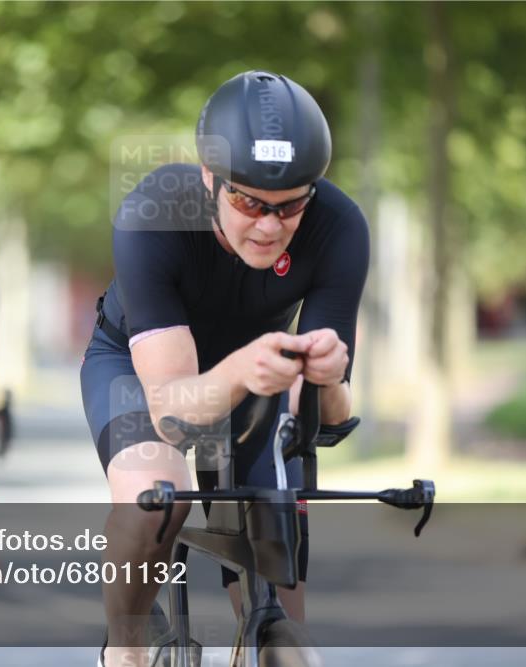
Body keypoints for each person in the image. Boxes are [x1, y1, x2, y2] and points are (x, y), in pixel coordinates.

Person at [80, 71, 370, 667]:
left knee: (281, 597)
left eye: (291, 206)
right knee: (154, 500)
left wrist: (328, 380)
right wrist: (244, 369)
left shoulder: (340, 227)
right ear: (209, 177)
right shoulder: (154, 213)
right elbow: (168, 413)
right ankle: (126, 650)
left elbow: (325, 422)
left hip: (254, 377)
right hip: (140, 371)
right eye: (247, 202)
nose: (269, 226)